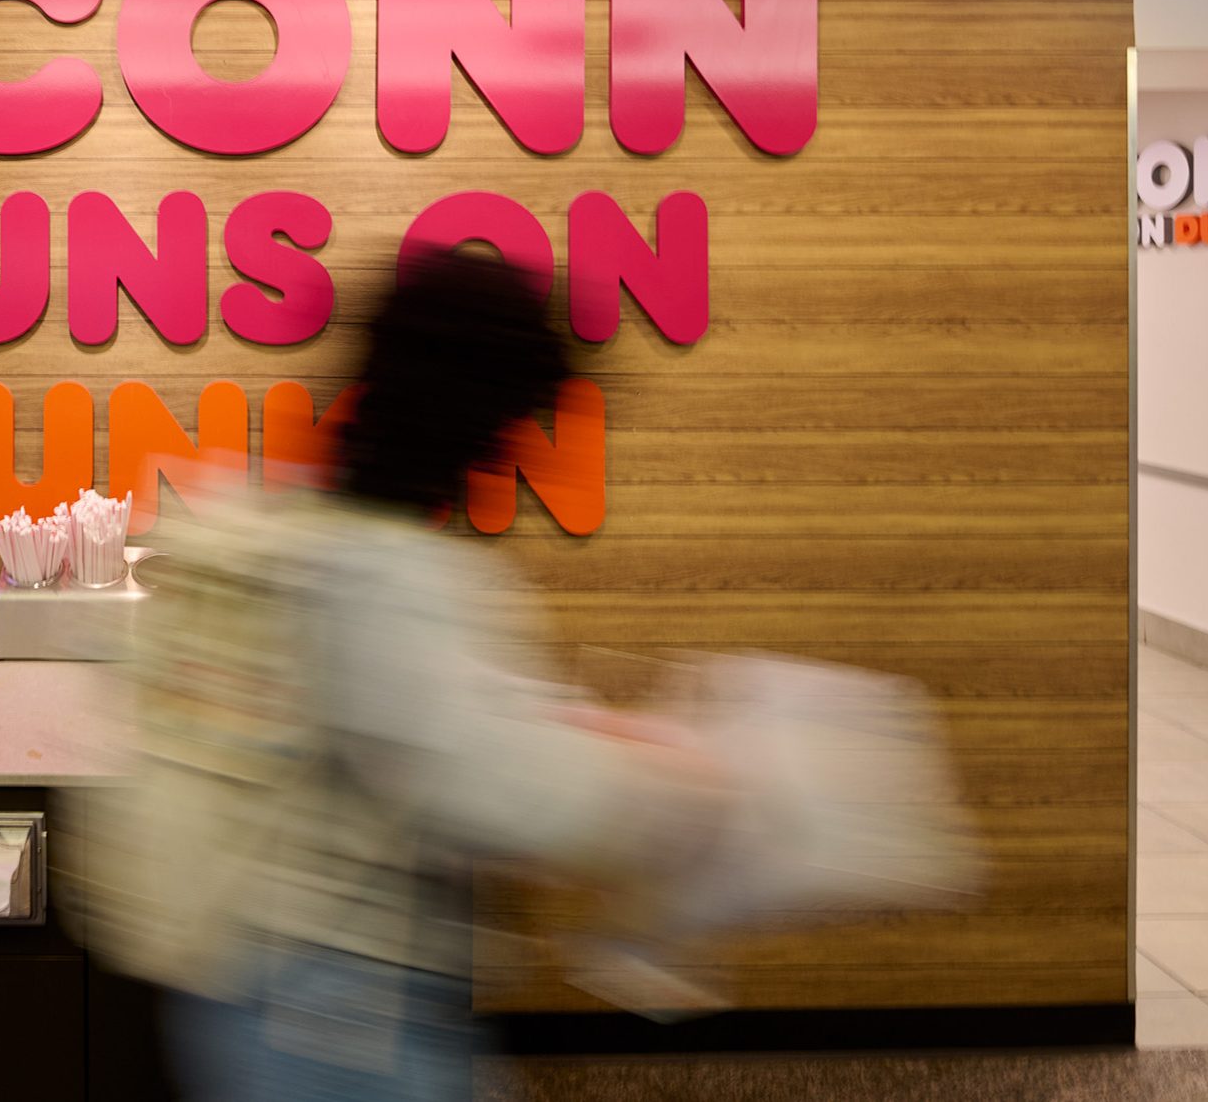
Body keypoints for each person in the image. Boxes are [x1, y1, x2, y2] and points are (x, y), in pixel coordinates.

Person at [89, 248, 736, 1102]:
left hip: (248, 978)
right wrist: (666, 783)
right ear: (470, 417)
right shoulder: (385, 573)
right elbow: (483, 783)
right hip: (335, 1014)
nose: (513, 454)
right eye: (512, 426)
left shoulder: (295, 527)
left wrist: (574, 728)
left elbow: (415, 719)